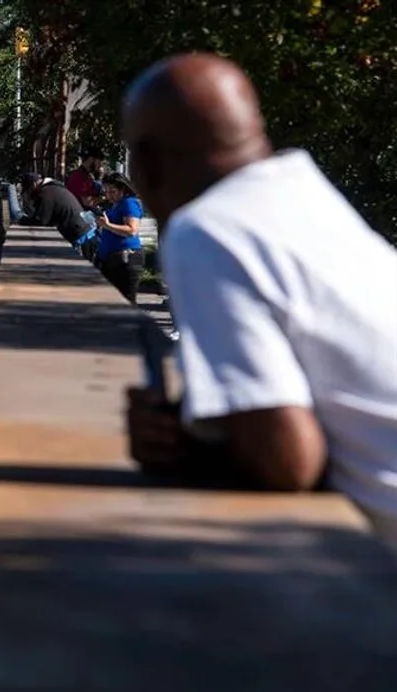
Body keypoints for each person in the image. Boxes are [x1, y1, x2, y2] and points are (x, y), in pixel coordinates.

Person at [120, 53, 397, 549]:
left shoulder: (206, 229)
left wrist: (186, 451)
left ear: (147, 161)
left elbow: (287, 461)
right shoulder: (304, 195)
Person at [16, 172, 97, 256]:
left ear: (33, 185)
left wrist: (21, 219)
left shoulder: (46, 193)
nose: (29, 196)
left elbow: (41, 222)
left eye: (27, 191)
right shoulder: (53, 188)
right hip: (85, 234)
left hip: (81, 238)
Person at [93, 172, 145, 302]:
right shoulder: (115, 204)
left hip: (125, 259)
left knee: (125, 301)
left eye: (113, 191)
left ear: (123, 189)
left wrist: (107, 225)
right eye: (106, 192)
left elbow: (131, 230)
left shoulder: (129, 203)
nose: (109, 195)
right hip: (111, 259)